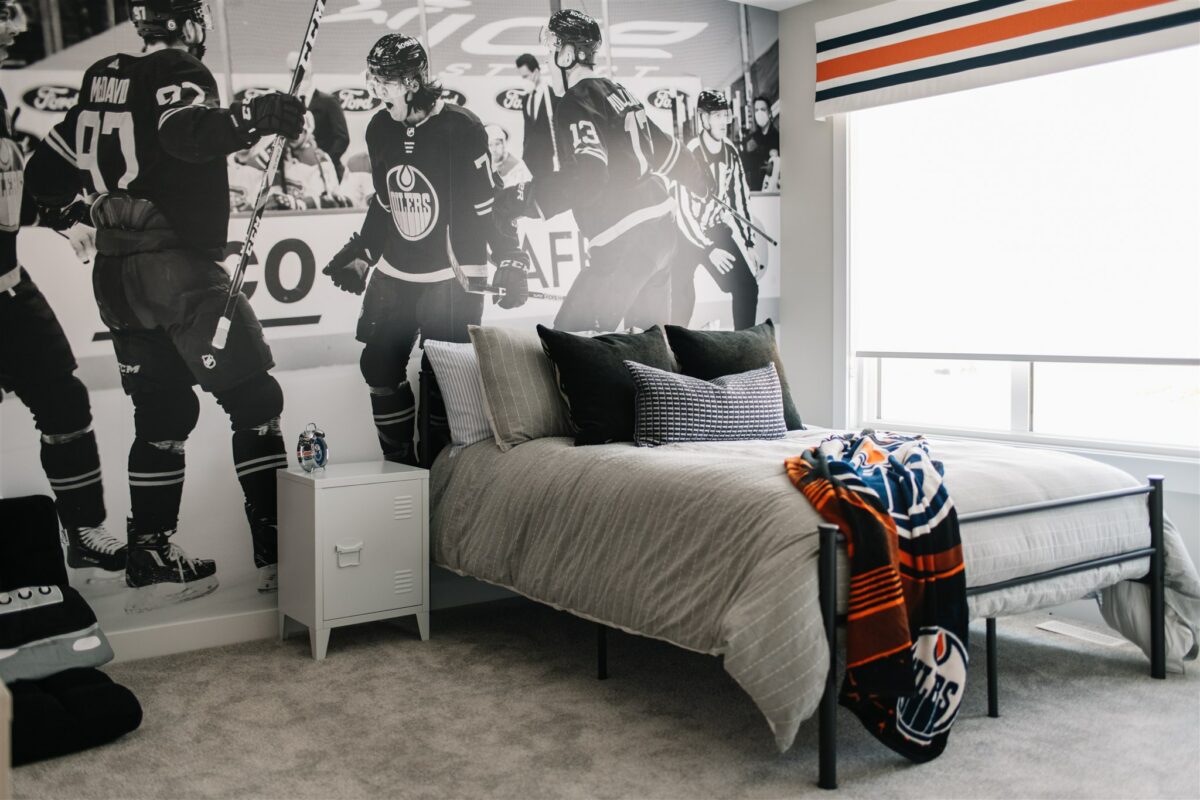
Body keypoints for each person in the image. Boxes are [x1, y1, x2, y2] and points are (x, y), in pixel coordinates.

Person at [25, 0, 306, 613]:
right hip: (174, 271)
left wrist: (73, 220)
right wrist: (250, 119)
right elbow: (182, 133)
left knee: (162, 413)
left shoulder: (104, 72)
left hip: (116, 275)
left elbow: (44, 166)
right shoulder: (178, 68)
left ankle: (149, 552)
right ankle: (281, 556)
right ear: (185, 23)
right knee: (255, 401)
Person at [321, 34, 529, 466]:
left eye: (385, 82)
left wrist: (511, 257)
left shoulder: (462, 127)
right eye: (373, 79)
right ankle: (398, 463)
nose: (376, 90)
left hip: (452, 275)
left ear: (414, 81)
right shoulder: (379, 127)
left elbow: (487, 204)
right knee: (377, 366)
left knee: (442, 384)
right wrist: (363, 251)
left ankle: (436, 477)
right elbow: (384, 204)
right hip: (398, 271)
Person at [0, 0, 123, 582]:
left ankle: (82, 531)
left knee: (65, 402)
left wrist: (62, 215)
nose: (6, 53)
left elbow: (9, 192)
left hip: (8, 285)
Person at [532, 9, 702, 332]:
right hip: (663, 233)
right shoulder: (619, 91)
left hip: (625, 241)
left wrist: (529, 198)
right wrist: (699, 181)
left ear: (566, 55)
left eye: (551, 53)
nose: (548, 62)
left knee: (568, 343)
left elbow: (590, 175)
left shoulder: (574, 101)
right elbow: (665, 149)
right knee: (647, 349)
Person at [671, 90, 759, 330]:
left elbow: (740, 198)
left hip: (715, 230)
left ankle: (744, 348)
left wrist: (749, 243)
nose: (723, 121)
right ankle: (670, 352)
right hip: (686, 235)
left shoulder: (731, 153)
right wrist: (708, 248)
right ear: (704, 118)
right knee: (681, 297)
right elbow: (684, 212)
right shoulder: (689, 154)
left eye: (725, 115)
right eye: (717, 115)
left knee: (747, 287)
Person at [290, 54, 349, 181]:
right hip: (299, 175)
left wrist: (325, 161)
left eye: (301, 70)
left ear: (310, 70)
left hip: (328, 173)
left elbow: (342, 138)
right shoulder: (289, 105)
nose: (297, 74)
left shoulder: (329, 101)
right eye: (292, 71)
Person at [515, 52, 558, 183]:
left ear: (536, 72)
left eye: (526, 76)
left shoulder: (553, 95)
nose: (524, 80)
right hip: (529, 162)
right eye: (522, 77)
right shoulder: (526, 98)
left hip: (548, 161)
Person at [741, 96, 779, 192]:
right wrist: (747, 152)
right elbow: (744, 167)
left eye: (762, 109)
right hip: (755, 191)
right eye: (757, 110)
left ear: (769, 113)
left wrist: (775, 169)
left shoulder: (778, 137)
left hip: (774, 192)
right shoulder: (750, 140)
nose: (759, 113)